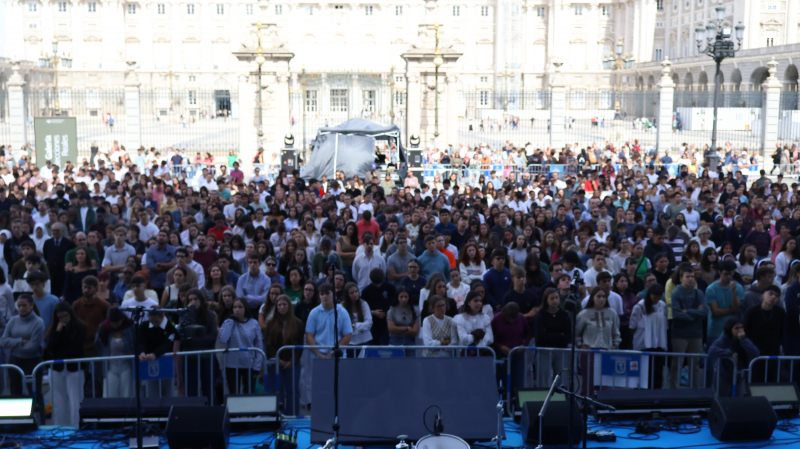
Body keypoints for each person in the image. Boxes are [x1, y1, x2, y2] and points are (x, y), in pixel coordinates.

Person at [303, 284, 353, 408]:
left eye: (327, 293)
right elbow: (309, 335)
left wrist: (333, 352)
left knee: (339, 387)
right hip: (318, 357)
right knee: (320, 388)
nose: (324, 296)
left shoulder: (342, 312)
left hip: (338, 356)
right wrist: (319, 354)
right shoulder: (314, 313)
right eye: (322, 294)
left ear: (333, 294)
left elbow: (347, 335)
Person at [575, 287, 621, 394]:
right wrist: (580, 344)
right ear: (592, 298)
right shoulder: (584, 314)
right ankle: (585, 405)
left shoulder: (612, 313)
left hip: (606, 352)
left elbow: (616, 331)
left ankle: (602, 407)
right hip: (589, 352)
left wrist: (615, 344)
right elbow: (576, 332)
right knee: (589, 382)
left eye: (604, 296)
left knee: (605, 382)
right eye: (598, 296)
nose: (602, 299)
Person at [264, 295, 304, 414]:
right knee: (277, 390)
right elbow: (268, 344)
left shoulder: (298, 323)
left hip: (292, 363)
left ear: (289, 306)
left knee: (293, 390)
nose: (281, 307)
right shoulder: (271, 323)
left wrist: (292, 361)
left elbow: (300, 345)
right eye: (279, 305)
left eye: (284, 305)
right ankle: (277, 415)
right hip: (275, 362)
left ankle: (292, 415)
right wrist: (278, 360)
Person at [669, 267, 706, 389]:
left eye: (692, 277)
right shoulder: (676, 293)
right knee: (677, 364)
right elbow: (677, 314)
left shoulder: (699, 293)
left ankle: (694, 389)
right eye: (687, 277)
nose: (691, 279)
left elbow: (704, 312)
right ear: (681, 278)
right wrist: (694, 314)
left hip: (696, 333)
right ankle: (673, 389)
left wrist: (688, 311)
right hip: (680, 333)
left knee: (694, 364)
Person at [218, 298, 264, 395]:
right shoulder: (228, 322)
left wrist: (257, 365)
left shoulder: (254, 323)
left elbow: (259, 345)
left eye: (240, 307)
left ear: (245, 308)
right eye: (234, 307)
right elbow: (223, 339)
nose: (237, 310)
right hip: (232, 364)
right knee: (233, 393)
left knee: (249, 392)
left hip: (249, 363)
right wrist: (230, 322)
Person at [181, 289, 219, 401]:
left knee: (209, 387)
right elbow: (184, 338)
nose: (192, 302)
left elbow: (212, 336)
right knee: (191, 388)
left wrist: (195, 339)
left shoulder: (210, 315)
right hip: (190, 357)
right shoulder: (185, 316)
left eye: (195, 299)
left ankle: (211, 412)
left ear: (201, 300)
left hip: (207, 357)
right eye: (190, 300)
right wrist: (200, 339)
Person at [1, 294, 44, 395]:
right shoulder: (13, 320)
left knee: (35, 392)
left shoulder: (38, 322)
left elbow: (32, 347)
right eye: (19, 306)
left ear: (31, 305)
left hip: (32, 361)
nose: (21, 308)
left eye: (24, 305)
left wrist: (12, 344)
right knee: (15, 392)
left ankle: (37, 411)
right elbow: (3, 342)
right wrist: (21, 341)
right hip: (15, 360)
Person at [629, 284, 668, 389]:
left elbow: (665, 324)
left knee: (657, 371)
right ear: (649, 295)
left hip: (658, 343)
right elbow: (632, 325)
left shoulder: (662, 306)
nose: (657, 300)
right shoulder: (640, 307)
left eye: (659, 297)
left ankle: (656, 393)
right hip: (643, 343)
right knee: (643, 371)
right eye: (655, 297)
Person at [709, 318, 760, 396]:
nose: (740, 330)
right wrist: (730, 353)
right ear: (730, 329)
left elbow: (755, 352)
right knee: (723, 400)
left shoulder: (745, 338)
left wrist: (743, 340)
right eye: (736, 328)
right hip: (724, 375)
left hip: (740, 375)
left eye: (741, 327)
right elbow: (712, 350)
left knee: (738, 400)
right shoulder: (723, 339)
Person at [744, 285, 784, 382]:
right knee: (755, 378)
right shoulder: (752, 311)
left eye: (776, 295)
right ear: (762, 296)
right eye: (770, 294)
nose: (774, 297)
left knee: (772, 378)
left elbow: (782, 331)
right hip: (755, 350)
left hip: (773, 350)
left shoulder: (780, 312)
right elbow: (746, 330)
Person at [138, 308, 180, 397]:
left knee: (168, 390)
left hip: (166, 362)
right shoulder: (144, 326)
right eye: (152, 322)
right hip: (150, 364)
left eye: (156, 322)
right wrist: (142, 352)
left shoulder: (170, 327)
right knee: (152, 391)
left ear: (162, 317)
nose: (154, 324)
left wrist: (155, 354)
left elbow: (168, 344)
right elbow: (141, 341)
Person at [95, 306, 135, 398]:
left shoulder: (130, 327)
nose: (115, 325)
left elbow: (135, 343)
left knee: (127, 393)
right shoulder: (104, 328)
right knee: (109, 394)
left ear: (122, 319)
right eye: (112, 323)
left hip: (127, 365)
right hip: (111, 366)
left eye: (117, 322)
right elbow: (98, 343)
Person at [535, 288, 571, 387]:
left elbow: (568, 336)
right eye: (552, 298)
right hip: (544, 350)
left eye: (556, 298)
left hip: (561, 350)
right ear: (546, 300)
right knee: (544, 377)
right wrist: (559, 335)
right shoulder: (541, 315)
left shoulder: (564, 315)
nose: (555, 301)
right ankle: (543, 399)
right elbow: (541, 336)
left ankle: (560, 399)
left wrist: (551, 336)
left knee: (560, 377)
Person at [705, 260, 745, 346]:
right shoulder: (711, 289)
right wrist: (732, 310)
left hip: (733, 332)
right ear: (720, 272)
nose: (729, 276)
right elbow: (716, 312)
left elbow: (737, 308)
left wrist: (733, 292)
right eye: (726, 274)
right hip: (715, 331)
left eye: (731, 274)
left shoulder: (738, 288)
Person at [360, 268, 396, 345]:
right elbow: (363, 309)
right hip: (373, 322)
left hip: (388, 321)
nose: (378, 286)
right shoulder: (366, 291)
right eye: (376, 284)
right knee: (373, 344)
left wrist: (389, 313)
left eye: (379, 283)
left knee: (386, 343)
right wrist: (373, 312)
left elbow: (395, 303)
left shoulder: (391, 288)